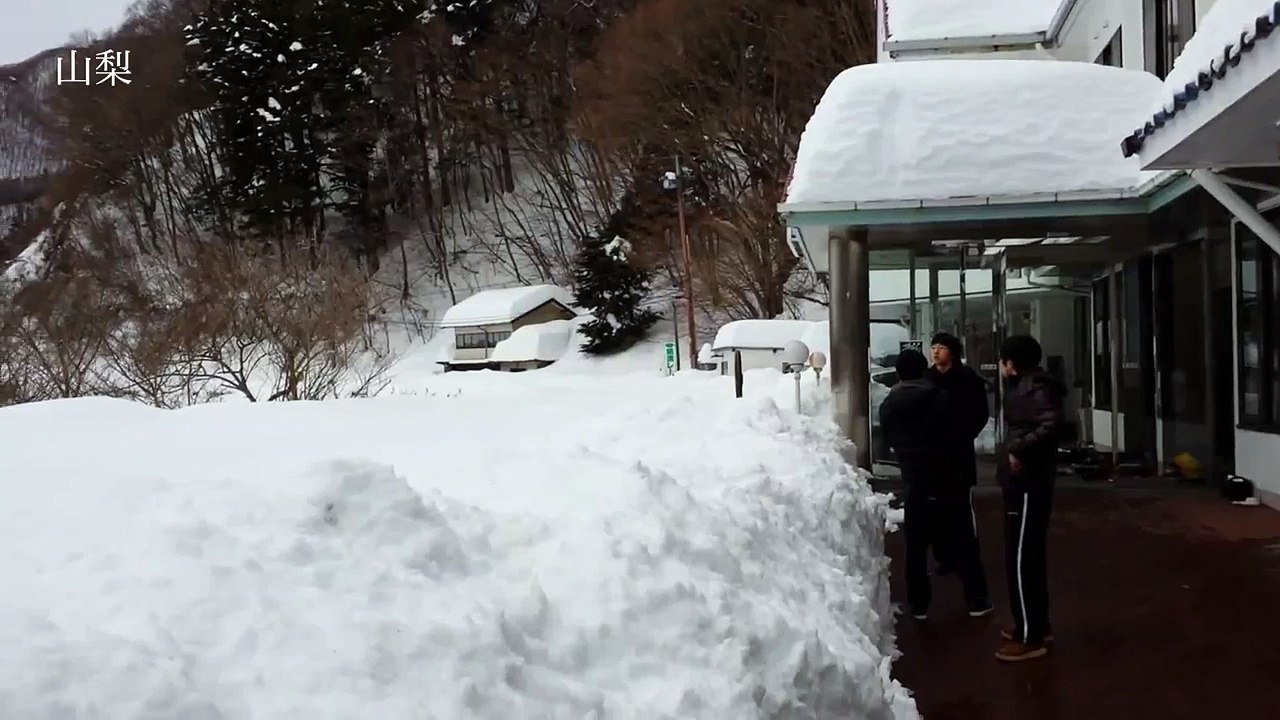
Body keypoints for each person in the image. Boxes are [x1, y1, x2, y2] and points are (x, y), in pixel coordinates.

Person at [880, 349, 991, 620]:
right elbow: (957, 436)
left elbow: (888, 440)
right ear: (923, 370)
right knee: (964, 540)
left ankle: (919, 606)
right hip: (947, 479)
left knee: (916, 547)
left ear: (898, 373)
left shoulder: (888, 405)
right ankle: (977, 600)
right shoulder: (940, 399)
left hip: (915, 481)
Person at [994, 335, 1065, 663]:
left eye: (1005, 359)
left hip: (1029, 482)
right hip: (1024, 481)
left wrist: (1018, 449)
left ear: (1015, 361)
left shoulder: (1035, 387)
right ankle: (1034, 622)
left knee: (1021, 558)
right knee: (1027, 557)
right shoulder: (1024, 384)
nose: (1001, 365)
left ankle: (1030, 635)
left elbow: (1050, 427)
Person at [924, 332, 990, 576]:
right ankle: (944, 557)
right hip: (933, 454)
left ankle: (966, 556)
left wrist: (964, 434)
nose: (936, 352)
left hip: (959, 453)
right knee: (937, 510)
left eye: (941, 347)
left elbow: (980, 412)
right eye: (933, 348)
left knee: (960, 507)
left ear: (952, 351)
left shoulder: (966, 378)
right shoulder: (927, 378)